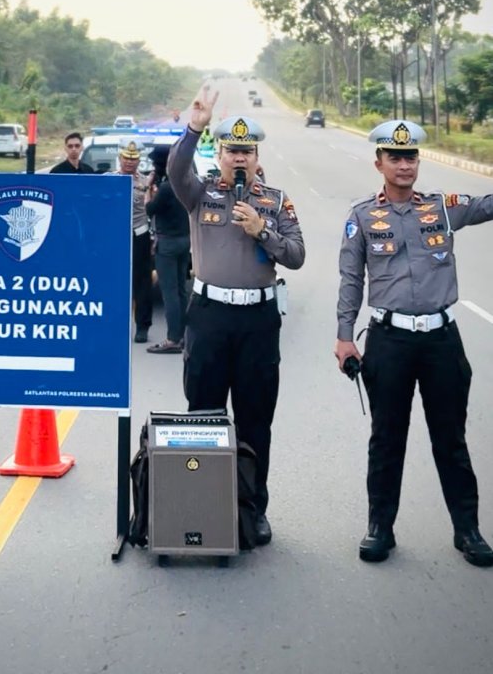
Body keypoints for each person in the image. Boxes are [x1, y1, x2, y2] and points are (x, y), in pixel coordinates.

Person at [335, 119, 493, 567]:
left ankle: (468, 530)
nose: (405, 165)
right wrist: (345, 336)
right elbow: (350, 280)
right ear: (379, 163)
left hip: (442, 340)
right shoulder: (363, 217)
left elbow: (488, 204)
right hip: (389, 341)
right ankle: (380, 528)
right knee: (386, 439)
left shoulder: (443, 208)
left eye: (411, 157)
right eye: (395, 157)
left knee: (451, 439)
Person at [168, 86, 305, 545]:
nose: (239, 158)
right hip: (209, 318)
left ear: (257, 155)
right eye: (232, 150)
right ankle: (203, 506)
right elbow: (174, 169)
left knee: (255, 421)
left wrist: (261, 230)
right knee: (203, 415)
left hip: (257, 322)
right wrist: (194, 127)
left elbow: (297, 255)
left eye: (247, 150)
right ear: (221, 153)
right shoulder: (199, 193)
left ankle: (253, 508)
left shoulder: (276, 201)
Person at [145, 144, 190, 354]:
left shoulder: (165, 187)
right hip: (184, 240)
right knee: (181, 290)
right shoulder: (182, 182)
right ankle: (184, 336)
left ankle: (173, 339)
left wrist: (148, 190)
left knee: (169, 292)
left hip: (168, 244)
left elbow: (150, 209)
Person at [109, 136, 153, 343]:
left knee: (142, 283)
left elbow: (152, 211)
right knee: (113, 282)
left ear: (139, 160)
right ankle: (112, 324)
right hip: (115, 238)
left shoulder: (146, 182)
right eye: (126, 157)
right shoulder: (107, 179)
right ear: (119, 157)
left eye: (133, 158)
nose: (129, 161)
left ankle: (142, 326)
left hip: (139, 236)